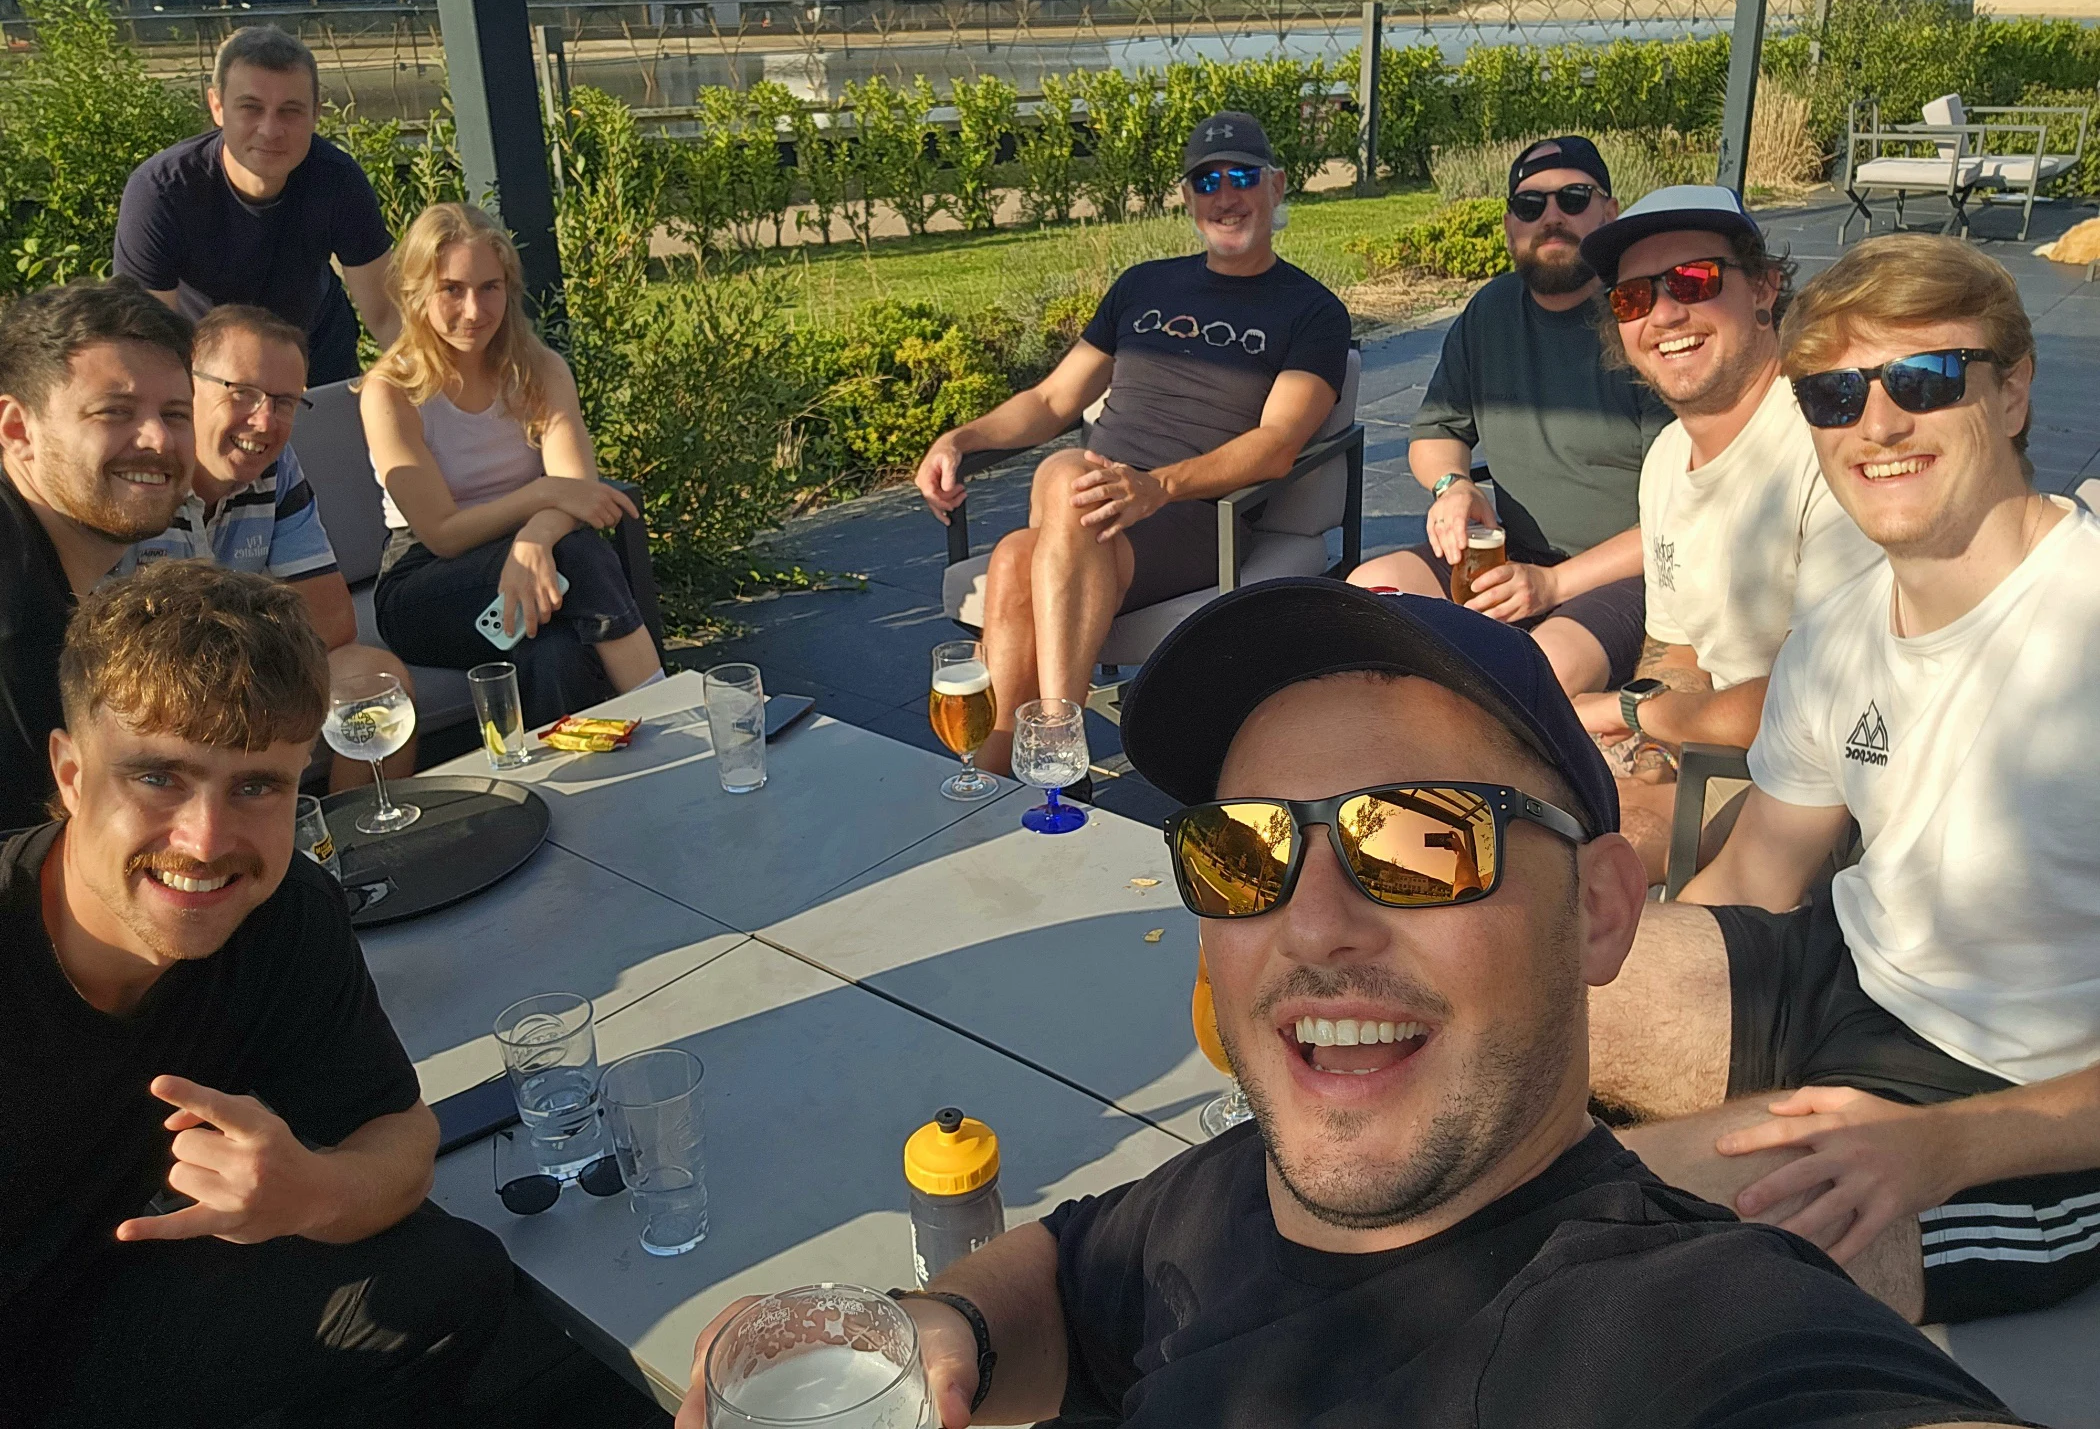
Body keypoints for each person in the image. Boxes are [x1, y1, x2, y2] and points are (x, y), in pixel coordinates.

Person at [676, 578, 2025, 1429]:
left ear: (1603, 908)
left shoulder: (1691, 1331)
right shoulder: (1227, 1194)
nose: (1311, 919)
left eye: (1421, 836)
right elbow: (1075, 1266)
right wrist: (948, 1327)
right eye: (1244, 850)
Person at [1591, 235, 2100, 1329]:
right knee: (1489, 985)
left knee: (1605, 1247)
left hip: (2017, 1109)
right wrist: (1640, 973)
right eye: (1832, 394)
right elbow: (1765, 866)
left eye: (1921, 381)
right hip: (1838, 978)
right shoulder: (1842, 626)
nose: (1875, 426)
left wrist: (1941, 1146)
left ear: (2012, 392)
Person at [1, 559, 512, 1424]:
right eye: (158, 777)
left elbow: (400, 1134)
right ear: (72, 774)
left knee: (448, 1276)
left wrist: (306, 1189)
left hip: (133, 1306)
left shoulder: (281, 912)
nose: (206, 842)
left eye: (257, 785)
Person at [914, 111, 1350, 777]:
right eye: (1206, 181)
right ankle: (1008, 776)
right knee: (1012, 558)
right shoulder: (1144, 285)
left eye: (1241, 176)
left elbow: (1276, 444)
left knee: (1064, 478)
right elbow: (1052, 401)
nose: (1225, 196)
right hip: (1094, 512)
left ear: (1276, 185)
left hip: (1197, 518)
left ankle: (1057, 734)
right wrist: (957, 438)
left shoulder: (1310, 310)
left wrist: (1158, 486)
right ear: (1186, 197)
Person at [1571, 185, 1882, 879]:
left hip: (1808, 778)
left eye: (1694, 279)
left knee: (1567, 868)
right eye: (1633, 298)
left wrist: (1627, 711)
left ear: (1766, 287)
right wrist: (1650, 749)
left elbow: (1815, 700)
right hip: (1704, 744)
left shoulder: (1831, 441)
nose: (1664, 313)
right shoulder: (1664, 462)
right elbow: (1680, 645)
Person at [1349, 137, 1670, 698]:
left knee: (1538, 676)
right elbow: (1436, 431)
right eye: (1530, 205)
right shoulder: (1490, 312)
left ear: (1609, 213)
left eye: (1573, 199)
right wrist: (1451, 487)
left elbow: (1680, 515)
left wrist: (1552, 585)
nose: (1551, 217)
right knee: (1365, 600)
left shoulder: (1642, 320)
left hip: (1626, 574)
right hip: (1509, 557)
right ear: (1509, 225)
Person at [358, 201, 660, 727]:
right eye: (452, 288)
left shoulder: (540, 369)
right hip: (425, 583)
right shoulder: (393, 390)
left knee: (553, 653)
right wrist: (543, 499)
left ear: (509, 288)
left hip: (539, 553)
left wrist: (535, 538)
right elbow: (444, 534)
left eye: (489, 287)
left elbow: (577, 489)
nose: (474, 310)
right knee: (579, 551)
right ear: (418, 292)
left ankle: (581, 788)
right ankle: (667, 706)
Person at [119, 304, 419, 789]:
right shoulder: (140, 478)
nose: (264, 422)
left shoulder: (275, 468)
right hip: (157, 696)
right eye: (243, 394)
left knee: (377, 681)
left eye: (284, 402)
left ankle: (351, 846)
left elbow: (331, 623)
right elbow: (128, 660)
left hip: (252, 668)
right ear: (187, 385)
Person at [0, 278, 194, 832]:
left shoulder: (44, 573)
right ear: (19, 430)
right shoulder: (17, 624)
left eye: (177, 414)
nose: (158, 439)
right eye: (115, 411)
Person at [115, 25, 400, 386]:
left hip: (317, 365)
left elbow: (389, 314)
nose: (270, 129)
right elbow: (146, 343)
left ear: (316, 114)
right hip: (209, 374)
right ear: (217, 107)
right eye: (251, 108)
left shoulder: (337, 180)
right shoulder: (161, 192)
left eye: (291, 111)